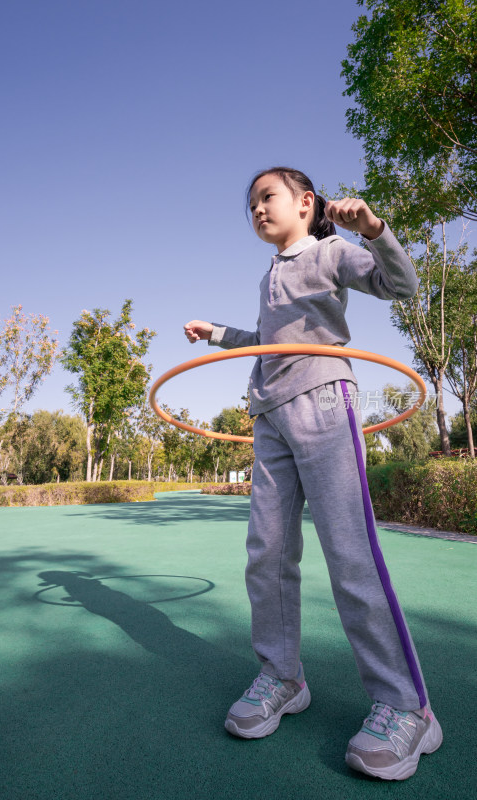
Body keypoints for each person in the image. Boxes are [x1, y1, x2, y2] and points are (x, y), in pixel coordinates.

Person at [183, 167, 442, 782]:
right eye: (249, 204)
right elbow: (268, 342)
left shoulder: (329, 251)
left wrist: (374, 230)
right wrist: (217, 333)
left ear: (305, 203)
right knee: (266, 552)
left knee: (350, 552)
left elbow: (400, 286)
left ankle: (407, 707)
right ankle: (281, 676)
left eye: (266, 197)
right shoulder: (270, 272)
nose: (256, 210)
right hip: (270, 416)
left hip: (324, 400)